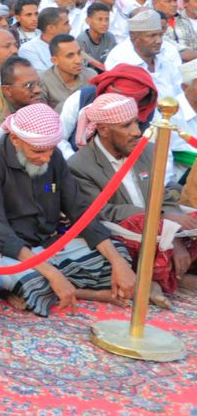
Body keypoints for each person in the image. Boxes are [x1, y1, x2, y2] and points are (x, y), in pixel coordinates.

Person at [0, 103, 135, 316]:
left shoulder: (52, 157)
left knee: (120, 255)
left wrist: (117, 262)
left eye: (51, 149)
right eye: (38, 151)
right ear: (16, 140)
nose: (46, 158)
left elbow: (80, 210)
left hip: (45, 245)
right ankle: (88, 292)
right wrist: (53, 275)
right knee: (33, 284)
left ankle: (56, 285)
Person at [69, 93, 197, 299]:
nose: (137, 132)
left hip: (162, 230)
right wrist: (164, 221)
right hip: (125, 234)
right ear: (103, 130)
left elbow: (164, 197)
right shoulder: (80, 165)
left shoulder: (147, 151)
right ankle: (165, 280)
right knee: (142, 223)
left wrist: (174, 232)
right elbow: (104, 212)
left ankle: (166, 279)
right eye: (126, 126)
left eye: (136, 123)